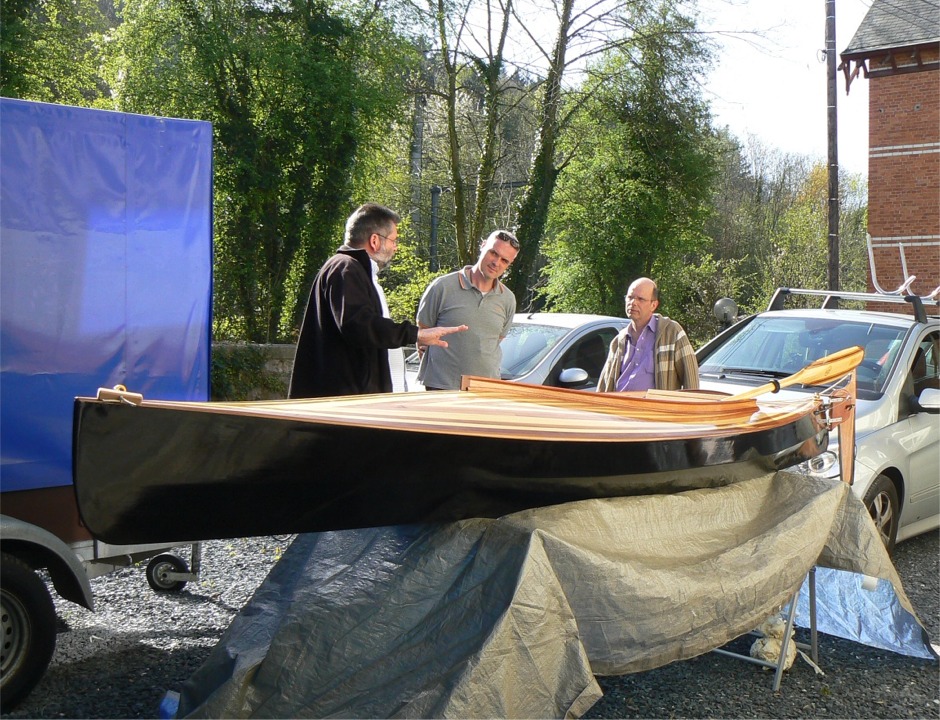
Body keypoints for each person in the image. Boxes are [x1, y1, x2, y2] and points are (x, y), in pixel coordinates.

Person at [289, 203, 467, 398]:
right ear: (375, 240)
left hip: (353, 398)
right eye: (393, 240)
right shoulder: (345, 269)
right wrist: (415, 334)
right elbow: (359, 326)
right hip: (346, 402)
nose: (395, 248)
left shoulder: (353, 270)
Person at [416, 230, 519, 390]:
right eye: (493, 253)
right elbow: (423, 333)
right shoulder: (442, 287)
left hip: (485, 390)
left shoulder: (508, 299)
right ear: (483, 245)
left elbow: (496, 340)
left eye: (504, 260)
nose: (496, 262)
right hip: (440, 388)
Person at [596, 277, 699, 392]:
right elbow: (604, 386)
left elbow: (691, 378)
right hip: (620, 407)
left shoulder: (672, 333)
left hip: (654, 408)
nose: (633, 303)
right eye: (630, 297)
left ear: (653, 305)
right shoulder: (619, 341)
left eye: (640, 299)